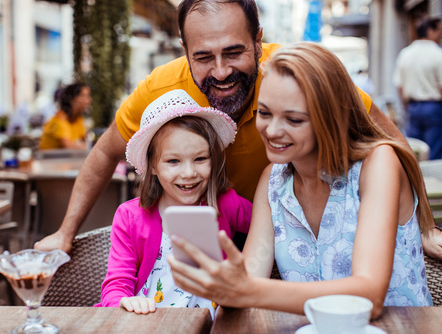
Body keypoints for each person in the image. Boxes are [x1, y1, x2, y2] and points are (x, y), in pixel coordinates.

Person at [34, 0, 442, 259]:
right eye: (204, 57)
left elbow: (386, 138)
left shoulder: (291, 75)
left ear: (259, 42)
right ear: (185, 52)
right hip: (221, 242)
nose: (222, 71)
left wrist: (424, 226)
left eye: (234, 52)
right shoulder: (161, 89)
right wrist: (65, 232)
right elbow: (105, 153)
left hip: (300, 233)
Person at [168, 42, 433, 318]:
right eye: (265, 113)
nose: (271, 130)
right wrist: (217, 281)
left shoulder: (378, 164)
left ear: (331, 119)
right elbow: (246, 280)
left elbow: (370, 296)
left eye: (293, 120)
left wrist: (248, 290)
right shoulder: (272, 180)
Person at [95, 89, 252, 318]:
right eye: (173, 161)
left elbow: (270, 224)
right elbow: (116, 285)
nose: (188, 173)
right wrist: (125, 302)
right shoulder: (130, 217)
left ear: (213, 159)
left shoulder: (226, 202)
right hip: (149, 323)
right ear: (153, 166)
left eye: (200, 159)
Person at [393, 17, 442, 160]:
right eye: (438, 30)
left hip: (413, 106)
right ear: (430, 31)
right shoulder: (438, 54)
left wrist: (406, 106)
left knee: (414, 151)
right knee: (434, 153)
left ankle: (416, 181)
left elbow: (399, 86)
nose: (440, 34)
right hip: (433, 107)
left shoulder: (405, 53)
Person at [38, 83, 91, 150]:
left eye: (88, 96)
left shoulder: (78, 120)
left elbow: (86, 141)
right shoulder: (60, 119)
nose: (88, 100)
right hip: (48, 159)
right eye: (83, 96)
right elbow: (69, 147)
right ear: (72, 100)